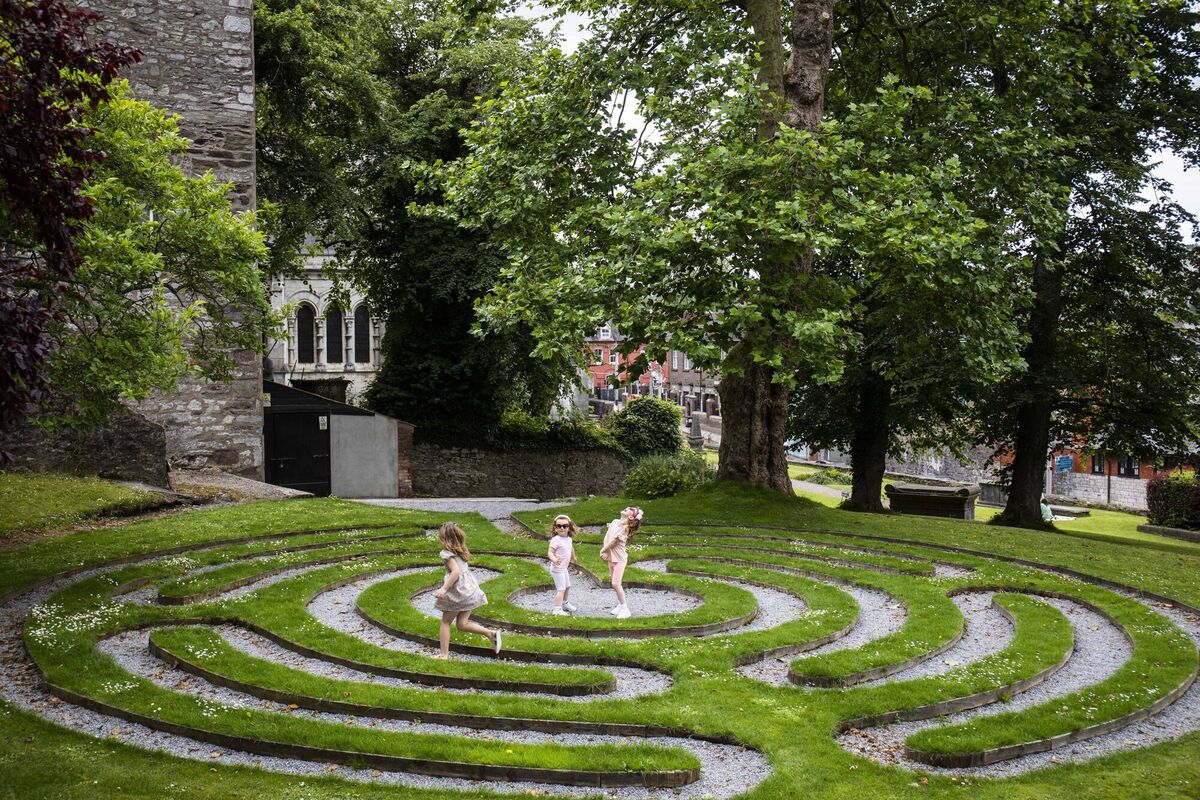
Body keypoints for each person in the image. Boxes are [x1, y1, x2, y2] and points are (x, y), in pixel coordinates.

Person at [432, 522, 501, 658]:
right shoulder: (461, 550)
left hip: (459, 592)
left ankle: (443, 655)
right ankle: (490, 633)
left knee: (445, 622)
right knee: (462, 624)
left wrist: (444, 588)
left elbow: (455, 572)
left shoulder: (446, 553)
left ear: (444, 539)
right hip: (470, 590)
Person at [599, 505, 642, 619]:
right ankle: (619, 604)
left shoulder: (625, 528)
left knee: (615, 583)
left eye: (630, 509)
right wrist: (606, 552)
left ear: (631, 517)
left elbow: (613, 541)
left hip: (620, 559)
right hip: (612, 557)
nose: (626, 508)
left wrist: (603, 550)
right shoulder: (615, 522)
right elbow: (607, 537)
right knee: (615, 583)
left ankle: (625, 608)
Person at [547, 515, 579, 615]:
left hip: (563, 568)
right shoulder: (555, 540)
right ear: (555, 528)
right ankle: (557, 609)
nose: (561, 528)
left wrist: (574, 557)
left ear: (569, 527)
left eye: (564, 526)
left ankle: (564, 603)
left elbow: (571, 548)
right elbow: (550, 552)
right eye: (559, 526)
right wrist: (554, 559)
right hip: (557, 569)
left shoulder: (568, 539)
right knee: (561, 589)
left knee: (567, 586)